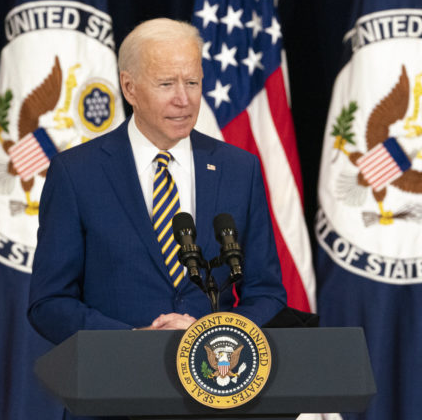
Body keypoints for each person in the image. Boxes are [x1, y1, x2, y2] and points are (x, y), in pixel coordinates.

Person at [28, 18, 287, 345]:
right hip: (115, 382)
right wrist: (135, 340)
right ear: (129, 87)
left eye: (192, 82)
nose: (183, 99)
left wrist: (212, 334)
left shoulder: (239, 169)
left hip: (214, 378)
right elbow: (49, 303)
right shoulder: (77, 173)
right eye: (166, 84)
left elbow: (266, 293)